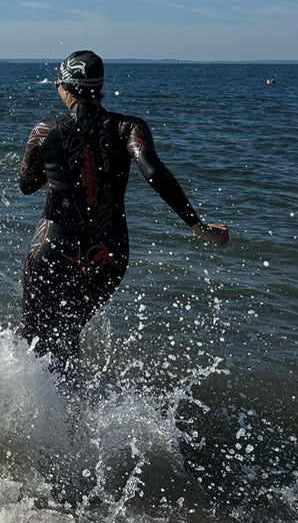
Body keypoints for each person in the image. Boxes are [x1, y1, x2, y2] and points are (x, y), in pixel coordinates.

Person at [18, 50, 229, 370]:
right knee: (69, 331)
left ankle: (34, 409)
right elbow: (155, 173)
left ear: (66, 88)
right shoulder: (129, 128)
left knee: (35, 336)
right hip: (109, 252)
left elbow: (26, 184)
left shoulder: (44, 132)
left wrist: (57, 166)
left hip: (53, 245)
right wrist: (197, 226)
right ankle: (73, 411)